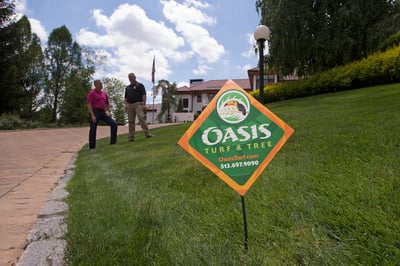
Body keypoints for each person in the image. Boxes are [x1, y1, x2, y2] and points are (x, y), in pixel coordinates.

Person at [86, 79, 118, 149]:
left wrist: (107, 111)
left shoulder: (104, 93)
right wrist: (92, 115)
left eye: (101, 83)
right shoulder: (92, 93)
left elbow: (107, 103)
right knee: (93, 129)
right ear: (95, 85)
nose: (101, 85)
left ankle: (113, 142)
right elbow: (89, 104)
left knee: (114, 124)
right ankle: (92, 147)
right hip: (95, 112)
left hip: (103, 112)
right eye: (99, 84)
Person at [124, 72, 153, 141]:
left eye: (132, 77)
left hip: (138, 104)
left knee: (141, 118)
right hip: (130, 105)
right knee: (131, 121)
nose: (131, 78)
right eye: (129, 77)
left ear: (135, 77)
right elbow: (125, 97)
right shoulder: (127, 88)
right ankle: (131, 137)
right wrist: (126, 104)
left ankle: (147, 133)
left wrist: (143, 104)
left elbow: (144, 95)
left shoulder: (140, 85)